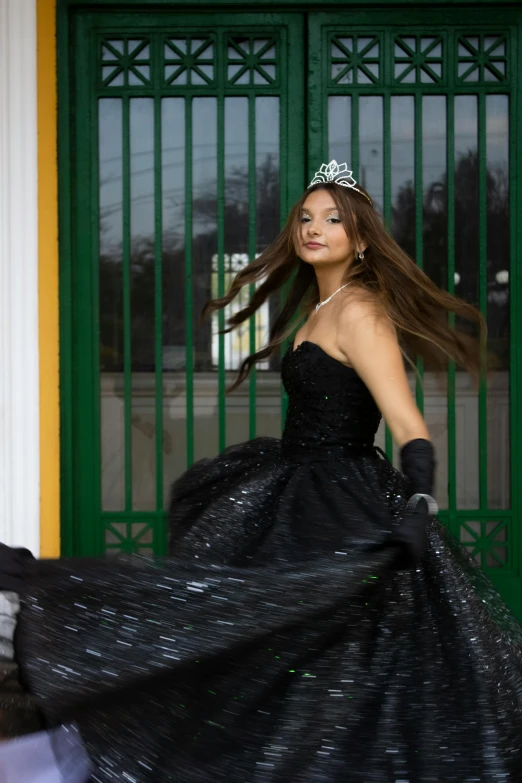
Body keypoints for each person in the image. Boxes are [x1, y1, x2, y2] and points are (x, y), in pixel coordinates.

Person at [1, 160, 522, 783]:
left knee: (322, 661)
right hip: (296, 485)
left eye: (332, 220)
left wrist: (418, 501)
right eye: (305, 217)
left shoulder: (359, 312)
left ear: (359, 239)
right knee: (255, 645)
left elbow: (407, 421)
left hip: (342, 504)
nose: (313, 228)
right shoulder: (318, 308)